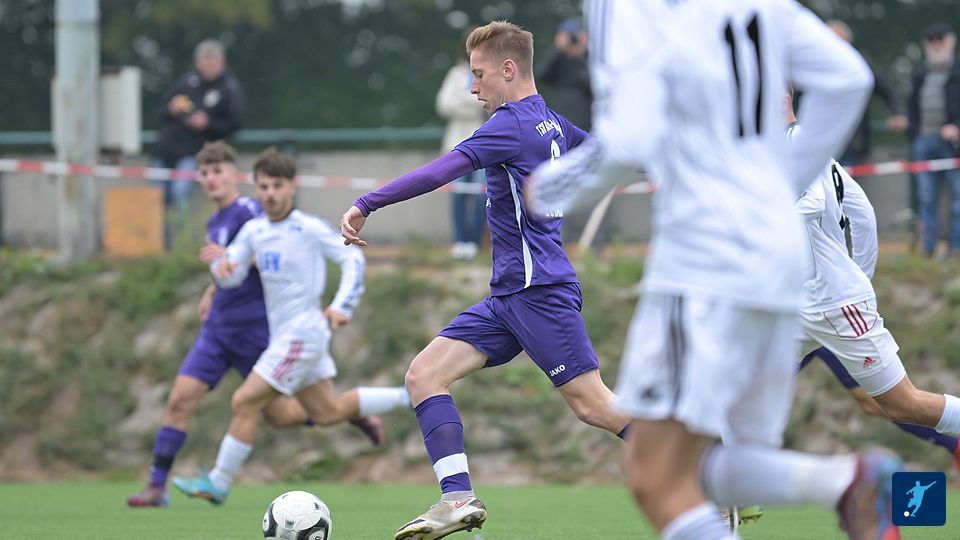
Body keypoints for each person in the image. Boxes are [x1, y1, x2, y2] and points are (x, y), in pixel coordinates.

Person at [528, 2, 903, 539]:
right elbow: (848, 78)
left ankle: (848, 479)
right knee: (707, 465)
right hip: (779, 260)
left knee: (654, 475)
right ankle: (842, 483)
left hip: (705, 259)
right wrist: (779, 188)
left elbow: (627, 138)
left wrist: (549, 188)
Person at [340, 21, 631, 539]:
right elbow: (615, 157)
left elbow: (440, 171)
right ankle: (456, 498)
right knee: (424, 375)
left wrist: (368, 203)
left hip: (538, 293)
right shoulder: (552, 123)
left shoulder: (510, 124)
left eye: (478, 74)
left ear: (508, 69)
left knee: (594, 405)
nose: (473, 86)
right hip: (509, 298)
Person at [172, 148, 410, 505]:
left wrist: (341, 305)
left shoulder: (308, 228)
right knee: (326, 412)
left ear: (292, 187)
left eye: (277, 186)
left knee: (244, 401)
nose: (270, 194)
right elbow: (231, 277)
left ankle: (218, 482)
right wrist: (220, 269)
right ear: (256, 188)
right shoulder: (253, 230)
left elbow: (352, 258)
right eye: (264, 187)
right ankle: (410, 397)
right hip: (285, 336)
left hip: (302, 335)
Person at [127, 141, 294, 508]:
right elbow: (227, 269)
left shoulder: (249, 211)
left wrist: (232, 258)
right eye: (205, 173)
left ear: (234, 174)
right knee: (179, 400)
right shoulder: (214, 220)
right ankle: (156, 487)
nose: (211, 179)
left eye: (218, 171)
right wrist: (212, 289)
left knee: (279, 415)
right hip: (218, 331)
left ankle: (345, 411)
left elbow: (274, 256)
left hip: (255, 331)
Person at [152, 39, 244, 246]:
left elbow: (234, 123)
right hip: (164, 151)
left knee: (179, 194)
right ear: (197, 62)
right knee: (156, 199)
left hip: (192, 152)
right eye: (204, 59)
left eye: (212, 60)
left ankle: (180, 245)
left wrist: (207, 124)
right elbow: (160, 111)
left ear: (222, 62)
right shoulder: (186, 82)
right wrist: (171, 109)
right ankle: (159, 247)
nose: (208, 64)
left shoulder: (228, 87)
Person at [908, 23, 960, 257]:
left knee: (957, 197)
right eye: (931, 40)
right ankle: (928, 249)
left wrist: (956, 126)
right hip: (924, 141)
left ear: (951, 41)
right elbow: (912, 105)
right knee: (926, 197)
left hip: (952, 145)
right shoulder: (921, 72)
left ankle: (956, 248)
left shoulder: (957, 70)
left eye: (940, 39)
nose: (936, 44)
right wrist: (913, 132)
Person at [435, 31, 488, 261]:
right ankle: (460, 242)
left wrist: (465, 102)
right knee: (458, 194)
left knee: (480, 195)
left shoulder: (490, 72)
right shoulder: (455, 74)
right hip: (457, 145)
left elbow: (488, 104)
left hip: (483, 146)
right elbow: (444, 104)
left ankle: (474, 243)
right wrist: (472, 104)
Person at [825, 20, 908, 166]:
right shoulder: (814, 64)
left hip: (852, 141)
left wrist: (897, 113)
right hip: (822, 140)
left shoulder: (859, 63)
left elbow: (885, 87)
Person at [538, 18, 592, 132]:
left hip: (586, 122)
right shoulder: (559, 58)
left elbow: (592, 85)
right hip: (562, 120)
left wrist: (580, 55)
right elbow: (543, 76)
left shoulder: (590, 59)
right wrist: (558, 50)